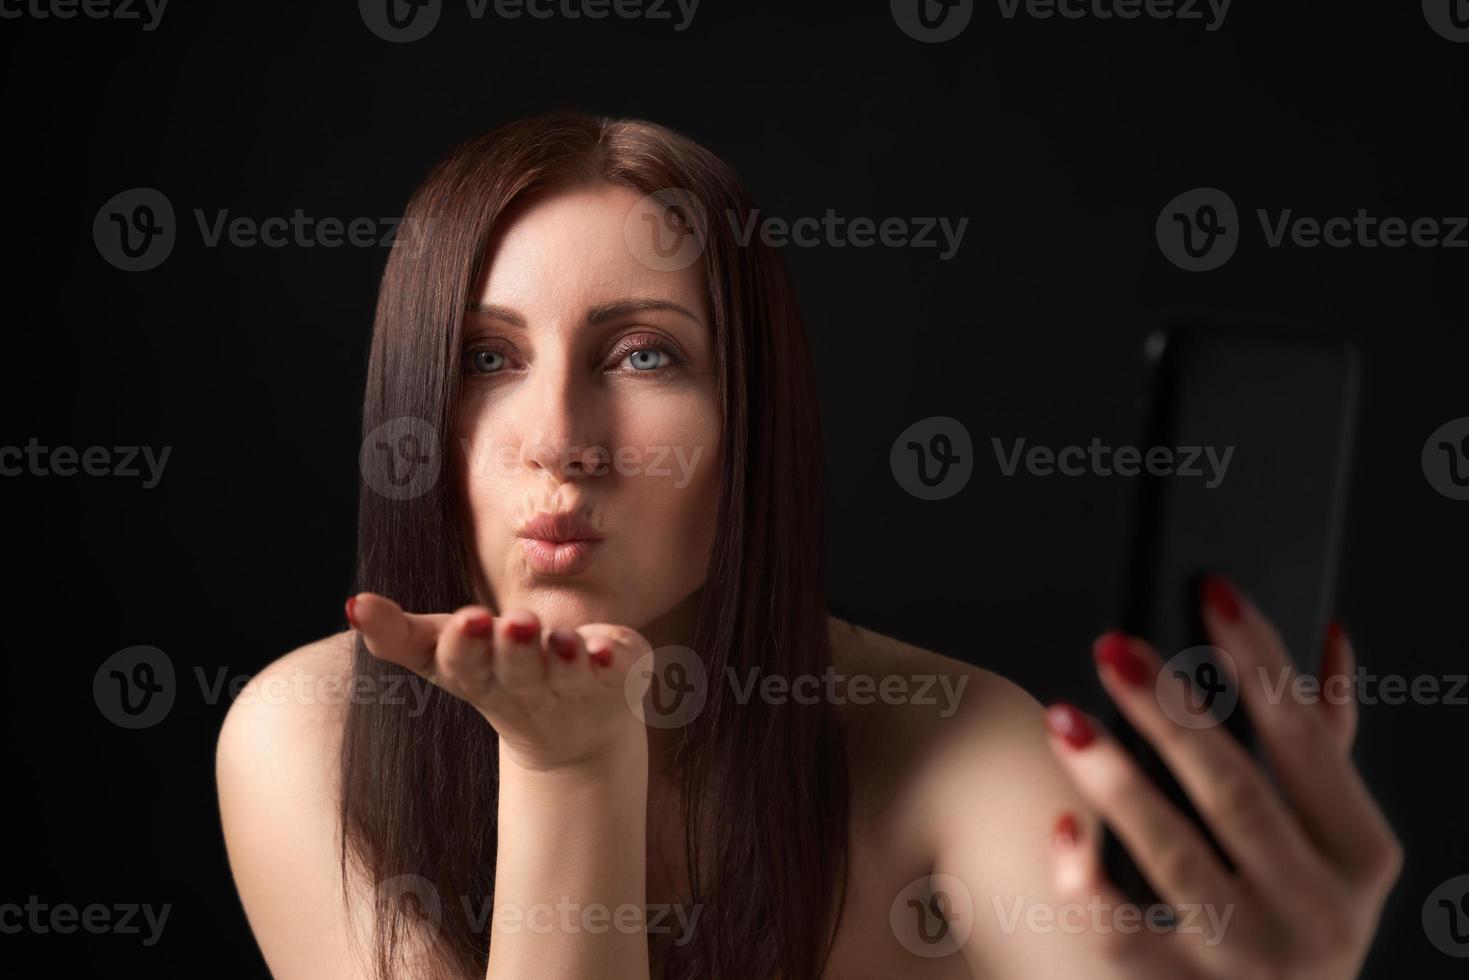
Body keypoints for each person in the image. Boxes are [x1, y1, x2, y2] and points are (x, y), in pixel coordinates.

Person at [215, 114, 1401, 979]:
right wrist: (570, 764)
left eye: (643, 356)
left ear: (754, 419)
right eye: (487, 356)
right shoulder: (307, 730)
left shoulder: (949, 748)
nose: (559, 442)